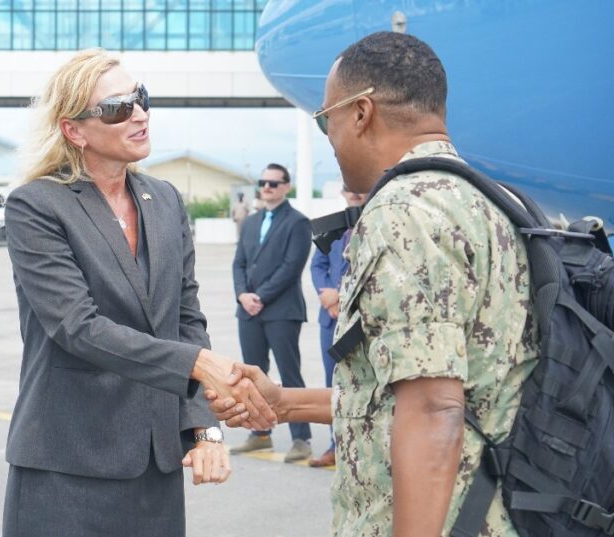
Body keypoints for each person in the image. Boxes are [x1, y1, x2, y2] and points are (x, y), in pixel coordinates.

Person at [210, 32, 538, 536]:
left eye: (326, 121)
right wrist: (285, 403)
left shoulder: (403, 209)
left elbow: (433, 407)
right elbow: (408, 392)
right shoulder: (483, 199)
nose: (330, 137)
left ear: (361, 113)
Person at [1, 49, 274, 537]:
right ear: (74, 130)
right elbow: (77, 328)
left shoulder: (165, 200)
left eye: (141, 98)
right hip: (65, 466)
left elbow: (187, 320)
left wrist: (204, 427)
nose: (140, 114)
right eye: (117, 107)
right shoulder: (36, 206)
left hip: (155, 465)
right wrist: (197, 364)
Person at [228, 164, 313, 462]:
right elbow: (239, 263)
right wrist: (242, 296)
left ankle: (301, 437)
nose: (267, 187)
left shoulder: (298, 223)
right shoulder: (251, 222)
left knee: (289, 374)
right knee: (252, 376)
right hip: (249, 311)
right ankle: (260, 434)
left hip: (281, 311)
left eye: (274, 183)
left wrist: (260, 297)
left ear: (286, 186)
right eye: (263, 183)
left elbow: (292, 267)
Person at [307, 186, 366, 468]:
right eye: (348, 188)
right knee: (333, 383)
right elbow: (317, 265)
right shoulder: (334, 227)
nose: (353, 193)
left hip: (359, 321)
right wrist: (325, 293)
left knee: (361, 384)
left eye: (358, 188)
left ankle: (358, 447)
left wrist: (341, 297)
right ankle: (336, 445)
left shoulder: (376, 223)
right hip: (329, 319)